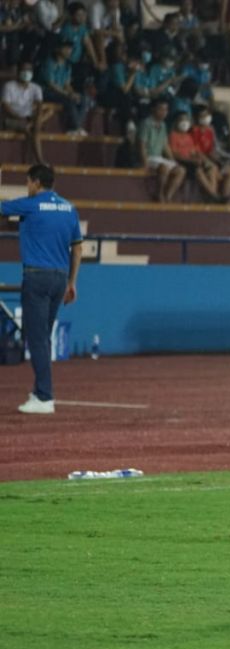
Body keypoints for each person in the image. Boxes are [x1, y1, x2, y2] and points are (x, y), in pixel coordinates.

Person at [2, 165, 82, 414]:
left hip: (36, 277)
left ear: (36, 182)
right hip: (59, 279)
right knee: (43, 337)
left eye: (28, 182)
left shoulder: (31, 204)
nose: (28, 187)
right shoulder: (69, 208)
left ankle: (45, 397)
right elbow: (77, 247)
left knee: (36, 338)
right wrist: (72, 282)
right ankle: (39, 391)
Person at [2, 62, 54, 165]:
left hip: (29, 117)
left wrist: (37, 118)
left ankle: (31, 126)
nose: (26, 73)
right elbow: (5, 106)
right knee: (33, 130)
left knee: (49, 111)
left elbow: (39, 105)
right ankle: (40, 160)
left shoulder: (36, 87)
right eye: (24, 70)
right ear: (18, 72)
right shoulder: (9, 86)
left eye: (29, 70)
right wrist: (19, 117)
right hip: (13, 117)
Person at [138, 98, 186, 202]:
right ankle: (159, 193)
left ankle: (168, 195)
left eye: (166, 110)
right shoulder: (146, 124)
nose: (164, 112)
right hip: (149, 157)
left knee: (180, 170)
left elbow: (165, 146)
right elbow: (142, 145)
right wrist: (144, 163)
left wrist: (173, 161)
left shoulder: (163, 125)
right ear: (153, 109)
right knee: (163, 168)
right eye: (161, 109)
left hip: (159, 158)